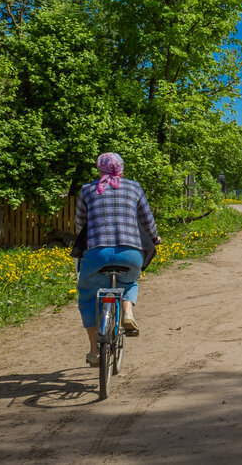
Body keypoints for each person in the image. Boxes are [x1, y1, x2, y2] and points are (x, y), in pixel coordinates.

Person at [75, 152, 160, 366]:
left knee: (87, 294)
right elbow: (147, 220)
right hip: (130, 252)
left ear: (99, 168)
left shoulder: (87, 190)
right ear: (121, 168)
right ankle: (128, 312)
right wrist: (154, 237)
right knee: (129, 281)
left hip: (97, 253)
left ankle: (95, 350)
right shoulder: (134, 187)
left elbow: (80, 223)